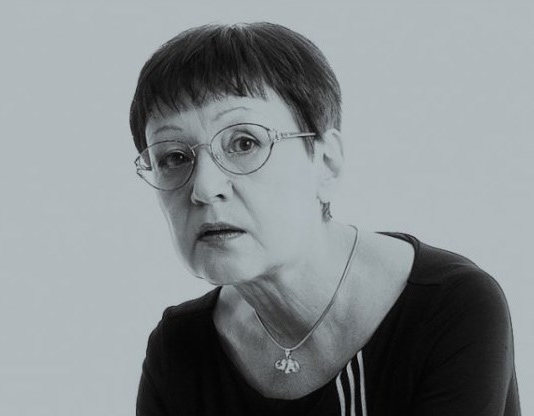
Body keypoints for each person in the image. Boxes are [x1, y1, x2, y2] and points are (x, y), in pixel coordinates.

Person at [129, 22, 519, 415]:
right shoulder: (178, 348)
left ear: (326, 163)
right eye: (173, 157)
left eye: (245, 143)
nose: (203, 187)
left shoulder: (450, 307)